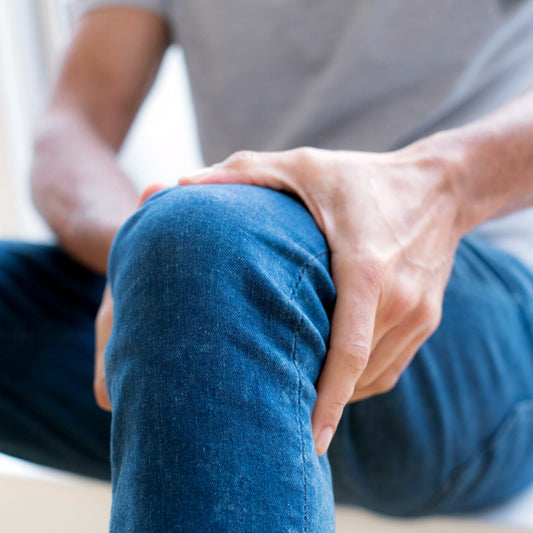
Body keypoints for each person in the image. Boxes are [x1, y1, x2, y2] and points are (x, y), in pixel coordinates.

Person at [2, 0, 533, 530]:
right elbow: (73, 127)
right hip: (233, 295)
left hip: (481, 295)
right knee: (196, 251)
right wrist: (139, 248)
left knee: (203, 251)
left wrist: (440, 187)